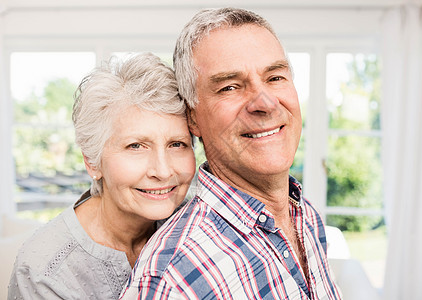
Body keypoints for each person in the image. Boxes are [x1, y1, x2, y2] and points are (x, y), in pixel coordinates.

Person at [120, 7, 342, 300]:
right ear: (193, 119)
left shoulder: (307, 218)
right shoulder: (175, 277)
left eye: (275, 77)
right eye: (229, 87)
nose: (265, 103)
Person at [8, 52, 196, 299]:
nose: (162, 171)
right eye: (136, 146)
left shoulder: (197, 222)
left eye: (177, 144)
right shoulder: (44, 272)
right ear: (91, 161)